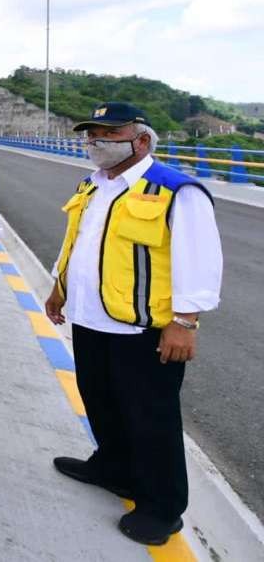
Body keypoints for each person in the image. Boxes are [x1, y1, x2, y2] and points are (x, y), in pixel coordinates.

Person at [44, 102, 223, 546]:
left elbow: (198, 262)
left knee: (150, 418)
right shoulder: (91, 185)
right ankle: (113, 468)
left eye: (107, 134)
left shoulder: (176, 191)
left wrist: (184, 323)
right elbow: (78, 243)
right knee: (100, 400)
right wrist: (59, 286)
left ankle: (163, 508)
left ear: (140, 140)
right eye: (91, 134)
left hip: (140, 330)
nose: (95, 142)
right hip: (90, 318)